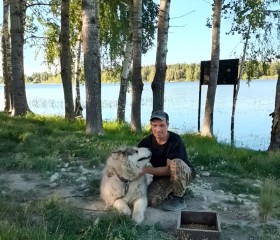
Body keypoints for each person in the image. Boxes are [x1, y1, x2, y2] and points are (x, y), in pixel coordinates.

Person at [138, 110, 196, 211]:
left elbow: (170, 170)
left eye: (162, 125)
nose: (158, 129)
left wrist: (145, 170)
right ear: (151, 125)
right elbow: (133, 160)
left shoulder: (175, 140)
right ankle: (170, 191)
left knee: (175, 164)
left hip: (182, 172)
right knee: (149, 200)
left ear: (167, 125)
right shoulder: (146, 142)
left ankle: (179, 198)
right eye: (154, 125)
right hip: (162, 177)